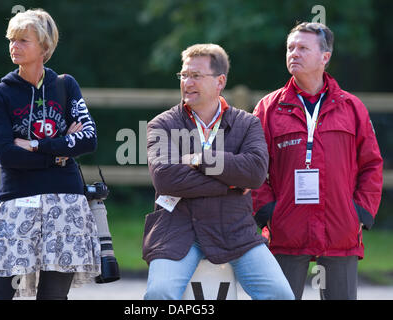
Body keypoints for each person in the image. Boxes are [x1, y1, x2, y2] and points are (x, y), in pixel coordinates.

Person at [0, 9, 101, 300]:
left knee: (53, 296)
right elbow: (7, 155)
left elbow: (88, 140)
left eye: (23, 40)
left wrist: (38, 145)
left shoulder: (66, 85)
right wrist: (62, 148)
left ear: (44, 47)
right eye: (11, 40)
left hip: (67, 204)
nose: (14, 46)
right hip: (18, 200)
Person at [143, 43, 294, 300]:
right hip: (177, 231)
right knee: (159, 294)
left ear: (220, 81)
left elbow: (256, 173)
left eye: (196, 76)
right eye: (184, 75)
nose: (187, 82)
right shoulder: (162, 124)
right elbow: (166, 178)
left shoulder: (247, 124)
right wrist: (231, 184)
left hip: (236, 230)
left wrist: (202, 160)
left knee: (281, 294)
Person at [252, 22, 383, 300]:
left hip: (340, 229)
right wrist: (268, 212)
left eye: (302, 48)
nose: (293, 53)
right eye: (290, 48)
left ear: (325, 57)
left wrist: (359, 212)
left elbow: (372, 164)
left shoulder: (351, 107)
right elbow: (253, 167)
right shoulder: (268, 108)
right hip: (285, 230)